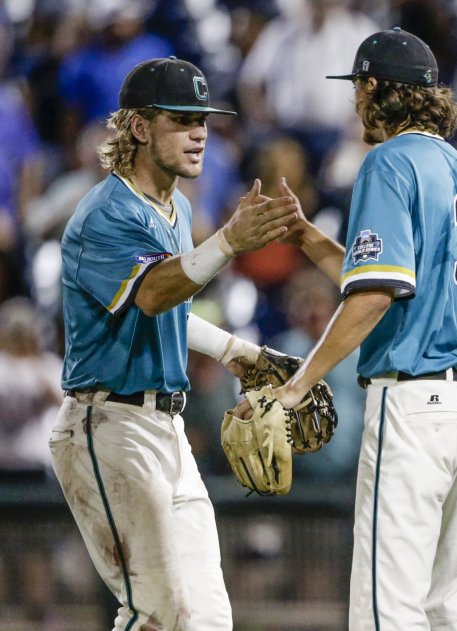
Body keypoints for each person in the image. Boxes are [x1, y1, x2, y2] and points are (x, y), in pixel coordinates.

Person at [235, 28, 457, 630]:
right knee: (444, 606)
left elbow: (375, 294)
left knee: (387, 609)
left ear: (376, 87)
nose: (354, 101)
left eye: (358, 86)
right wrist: (305, 236)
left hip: (415, 402)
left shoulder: (388, 161)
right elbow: (385, 276)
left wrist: (297, 384)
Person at [48, 56, 300, 630]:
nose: (200, 132)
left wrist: (240, 352)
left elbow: (172, 309)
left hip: (166, 429)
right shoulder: (104, 214)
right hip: (107, 425)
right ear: (139, 128)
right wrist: (230, 242)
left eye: (203, 120)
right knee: (158, 613)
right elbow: (152, 295)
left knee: (207, 619)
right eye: (182, 119)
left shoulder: (178, 207)